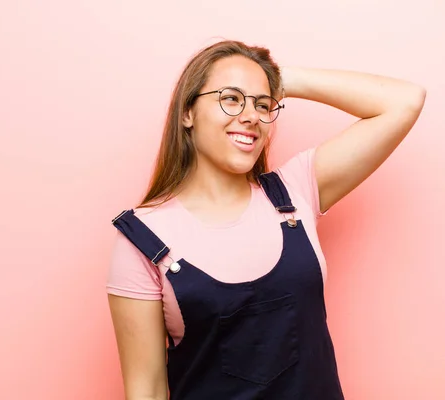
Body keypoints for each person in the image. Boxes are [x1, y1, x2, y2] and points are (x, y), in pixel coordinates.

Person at [106, 39, 426, 400]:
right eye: (231, 98)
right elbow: (146, 389)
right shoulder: (143, 239)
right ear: (187, 113)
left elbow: (404, 101)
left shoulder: (296, 191)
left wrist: (275, 77)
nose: (251, 116)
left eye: (262, 104)